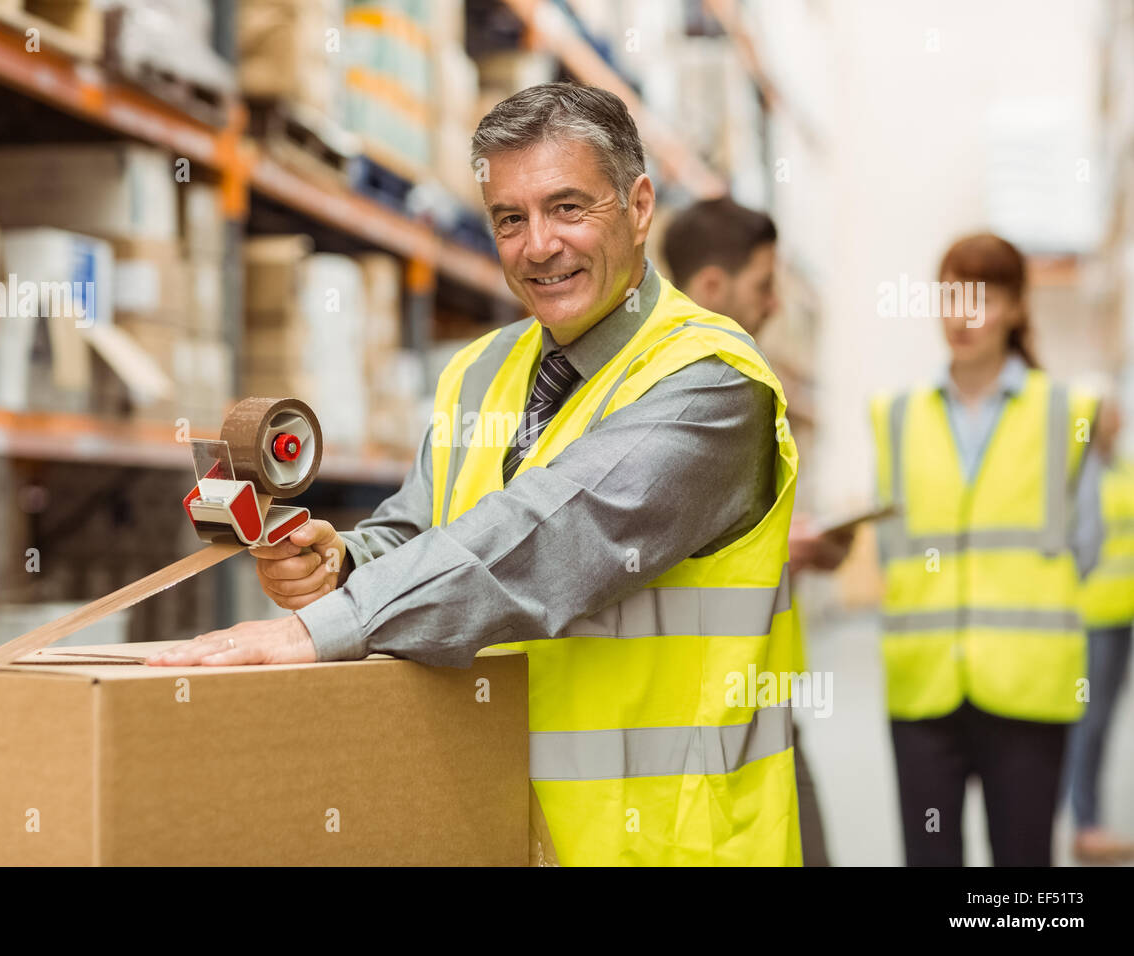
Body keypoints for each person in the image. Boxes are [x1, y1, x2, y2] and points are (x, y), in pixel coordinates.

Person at [151, 83, 803, 866]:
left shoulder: (710, 380)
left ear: (637, 207)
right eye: (509, 219)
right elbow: (425, 524)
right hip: (488, 820)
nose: (537, 246)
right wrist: (345, 562)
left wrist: (324, 625)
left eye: (568, 208)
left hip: (660, 841)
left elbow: (549, 536)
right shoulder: (480, 370)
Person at [870, 232, 1103, 867]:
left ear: (1016, 308)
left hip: (1028, 688)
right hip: (924, 690)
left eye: (983, 298)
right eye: (951, 296)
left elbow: (1086, 544)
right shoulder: (896, 414)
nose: (962, 315)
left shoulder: (1065, 412)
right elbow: (893, 547)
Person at [663, 196, 850, 867]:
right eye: (764, 286)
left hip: (756, 698)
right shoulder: (676, 397)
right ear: (713, 287)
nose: (774, 305)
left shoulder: (738, 382)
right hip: (702, 713)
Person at [1067, 405, 1134, 863]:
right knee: (1087, 724)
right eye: (1108, 409)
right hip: (1092, 616)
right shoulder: (1080, 470)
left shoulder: (1124, 468)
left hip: (1123, 616)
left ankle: (1088, 819)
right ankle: (1084, 823)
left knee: (1104, 722)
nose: (1118, 416)